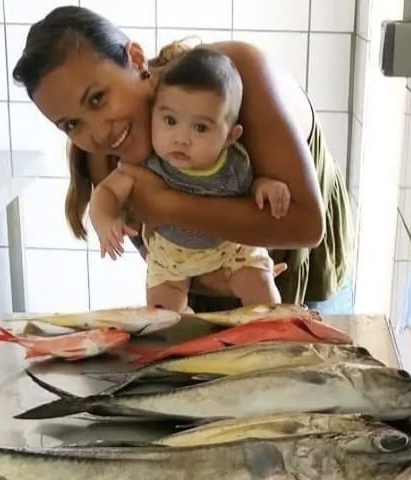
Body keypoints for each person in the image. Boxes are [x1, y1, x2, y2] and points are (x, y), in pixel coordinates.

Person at [11, 5, 354, 312]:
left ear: (135, 58)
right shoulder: (103, 157)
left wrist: (164, 205)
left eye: (98, 99)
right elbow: (161, 256)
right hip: (219, 277)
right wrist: (211, 279)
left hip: (303, 261)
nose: (98, 133)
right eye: (72, 124)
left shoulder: (237, 74)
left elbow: (307, 225)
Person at [87, 45, 291, 312]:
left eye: (200, 127)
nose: (181, 138)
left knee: (261, 289)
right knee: (162, 316)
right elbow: (106, 192)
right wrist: (105, 220)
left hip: (229, 250)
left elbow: (250, 190)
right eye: (170, 121)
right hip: (170, 257)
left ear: (230, 136)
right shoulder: (148, 165)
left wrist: (266, 186)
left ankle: (268, 335)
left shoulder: (235, 164)